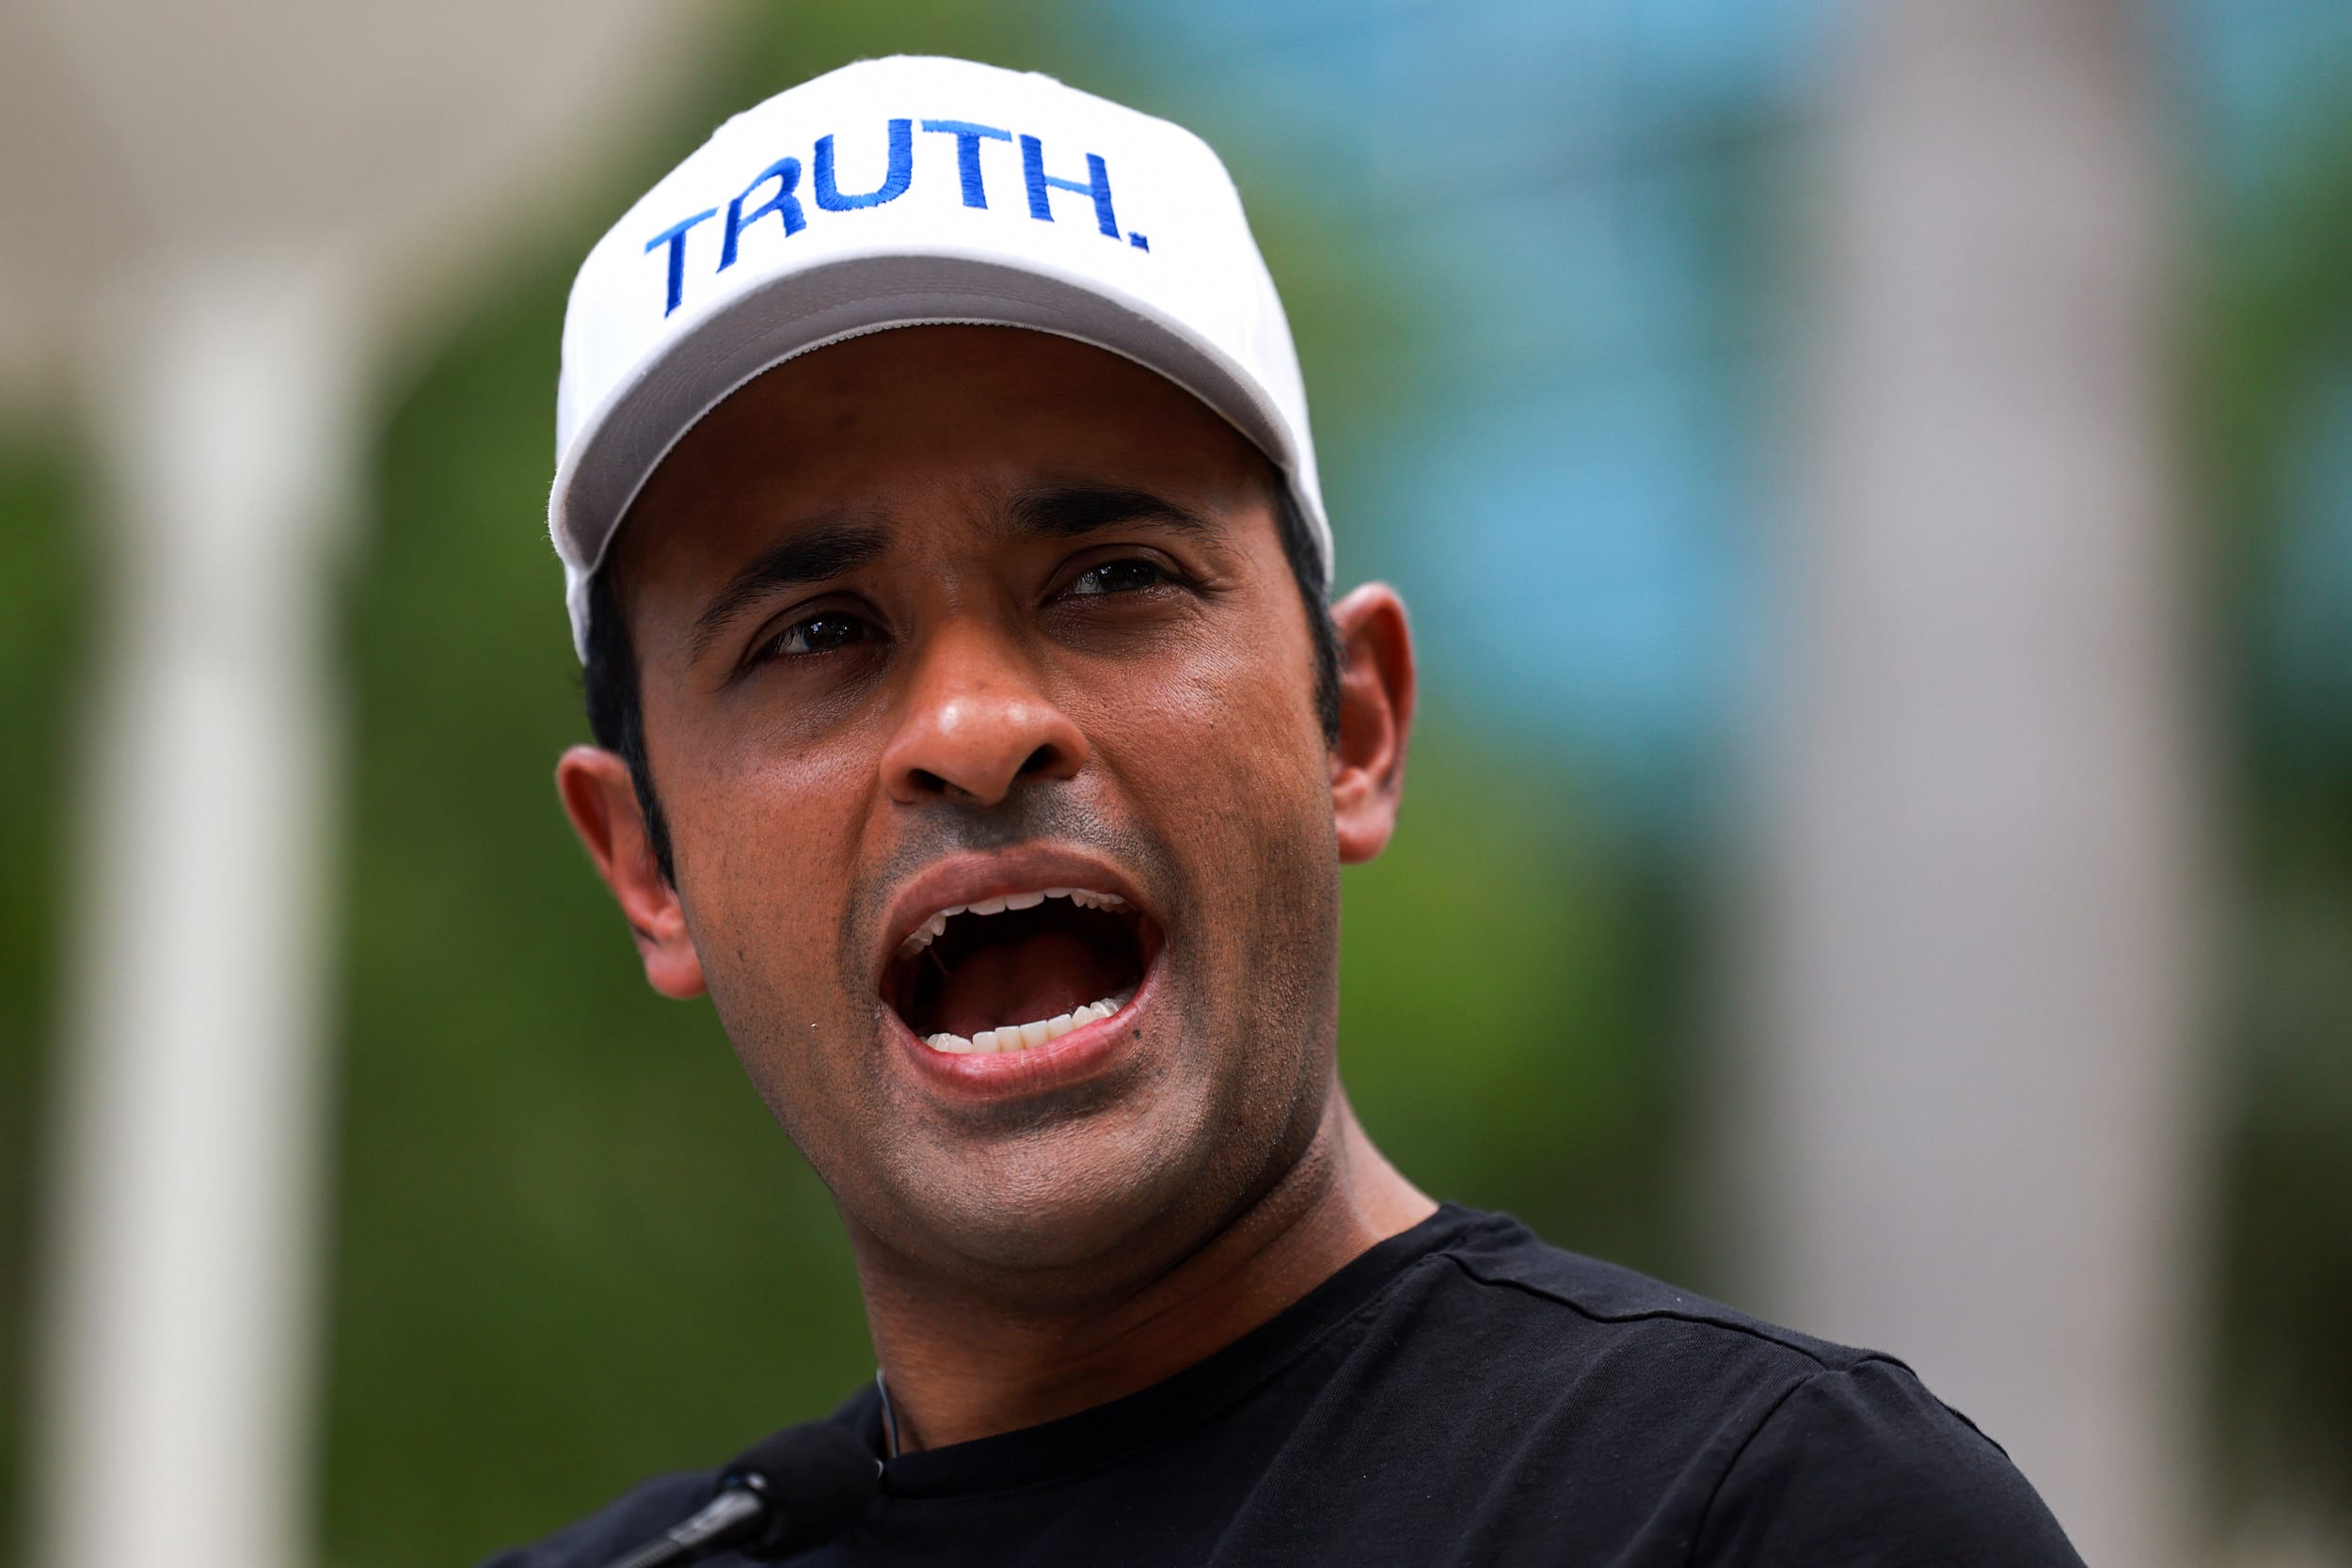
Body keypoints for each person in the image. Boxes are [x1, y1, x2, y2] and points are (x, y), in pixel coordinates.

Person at [490, 54, 2083, 1567]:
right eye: (818, 633)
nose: (976, 731)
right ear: (648, 869)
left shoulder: (1771, 1516)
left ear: (1357, 725)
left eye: (1111, 578)